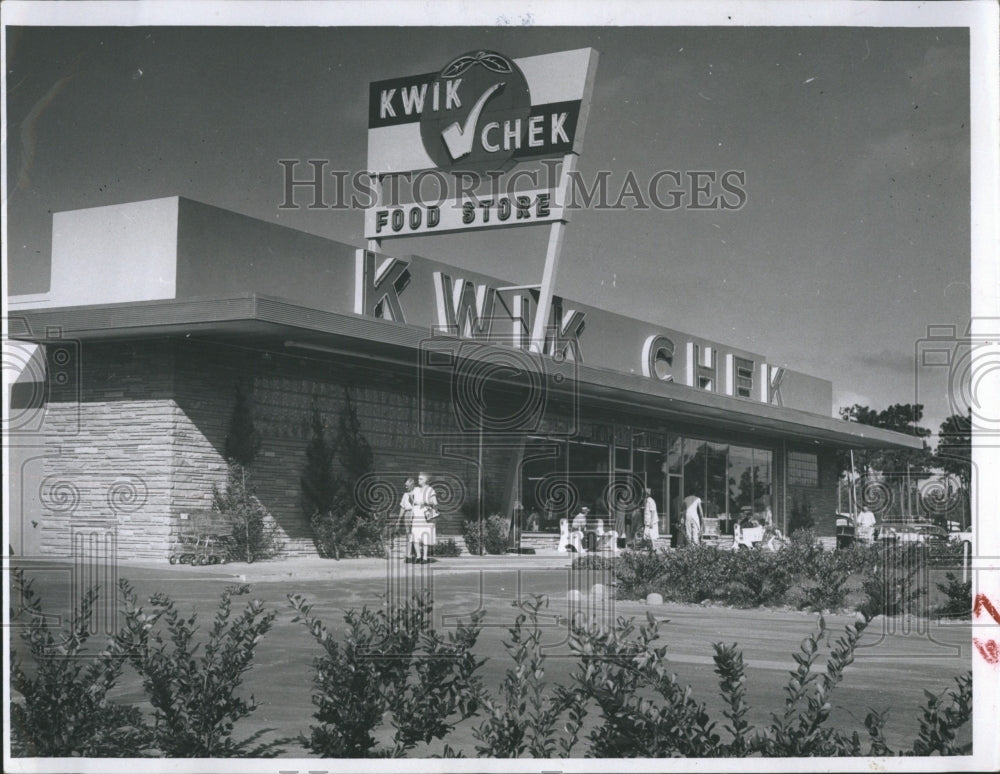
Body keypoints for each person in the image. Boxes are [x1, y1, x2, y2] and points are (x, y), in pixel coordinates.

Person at [410, 471, 439, 563]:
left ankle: (425, 557)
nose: (418, 480)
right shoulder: (415, 489)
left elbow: (435, 503)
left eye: (421, 478)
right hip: (416, 515)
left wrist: (425, 502)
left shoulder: (430, 490)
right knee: (415, 536)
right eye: (418, 478)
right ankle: (418, 556)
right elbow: (411, 499)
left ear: (426, 480)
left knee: (425, 536)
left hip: (426, 516)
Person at [398, 477, 417, 562]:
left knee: (415, 535)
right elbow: (402, 507)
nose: (406, 487)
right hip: (407, 514)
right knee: (409, 534)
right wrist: (399, 519)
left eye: (407, 485)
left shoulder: (417, 493)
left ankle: (415, 555)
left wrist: (412, 498)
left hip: (415, 514)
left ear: (412, 484)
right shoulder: (405, 495)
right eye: (405, 485)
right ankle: (409, 555)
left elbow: (418, 505)